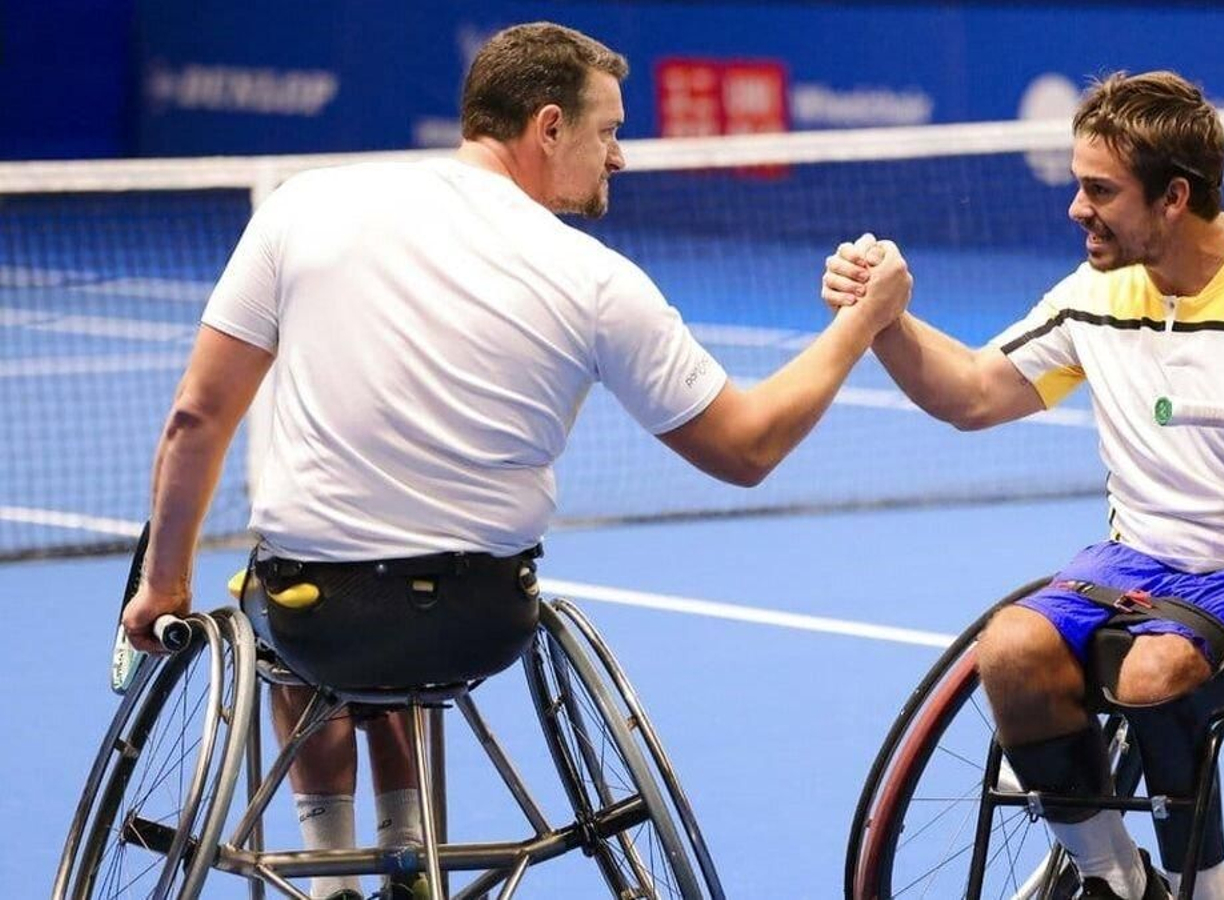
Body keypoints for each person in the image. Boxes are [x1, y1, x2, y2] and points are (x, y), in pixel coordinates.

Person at [120, 21, 911, 900]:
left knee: (303, 630)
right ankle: (402, 859)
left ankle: (337, 878)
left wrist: (163, 586)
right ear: (547, 127)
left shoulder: (303, 208)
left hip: (318, 611)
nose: (619, 157)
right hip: (483, 619)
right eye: (608, 131)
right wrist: (860, 325)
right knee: (404, 626)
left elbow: (197, 416)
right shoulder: (596, 279)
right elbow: (748, 445)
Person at [823, 71, 1224, 900]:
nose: (1077, 209)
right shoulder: (1097, 294)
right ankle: (1117, 879)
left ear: (1173, 198)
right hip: (1135, 566)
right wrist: (886, 320)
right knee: (1009, 649)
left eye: (1099, 190)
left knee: (1154, 674)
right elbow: (973, 392)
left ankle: (1206, 885)